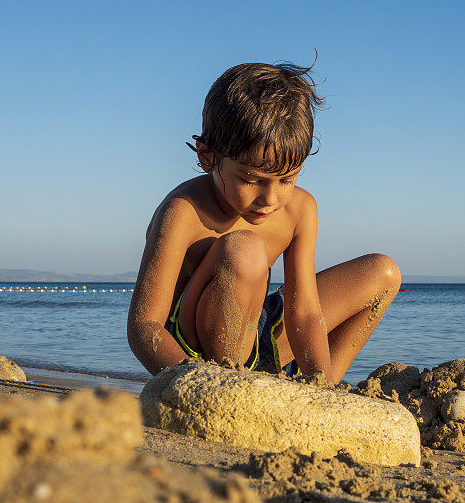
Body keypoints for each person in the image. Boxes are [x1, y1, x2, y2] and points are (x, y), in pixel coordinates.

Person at [127, 61, 400, 384]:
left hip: (260, 334)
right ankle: (231, 383)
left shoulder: (300, 209)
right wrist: (194, 383)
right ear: (207, 156)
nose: (270, 198)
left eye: (286, 180)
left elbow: (306, 313)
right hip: (195, 354)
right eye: (251, 179)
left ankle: (322, 394)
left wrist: (322, 384)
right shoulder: (184, 210)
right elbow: (145, 326)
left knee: (382, 273)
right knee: (244, 250)